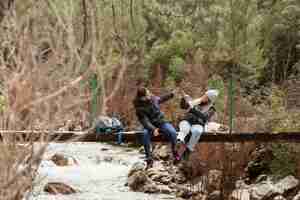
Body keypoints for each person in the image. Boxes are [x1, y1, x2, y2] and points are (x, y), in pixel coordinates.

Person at [133, 87, 180, 168]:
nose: (149, 93)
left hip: (161, 122)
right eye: (148, 93)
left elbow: (161, 99)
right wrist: (153, 129)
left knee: (172, 132)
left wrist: (172, 94)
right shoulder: (139, 108)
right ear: (143, 97)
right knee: (145, 135)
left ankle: (175, 153)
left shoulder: (153, 98)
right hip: (149, 126)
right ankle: (149, 159)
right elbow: (145, 121)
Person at [176, 89, 219, 161]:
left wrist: (192, 109)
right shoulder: (196, 101)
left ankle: (188, 151)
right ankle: (179, 141)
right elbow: (183, 106)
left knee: (197, 132)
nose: (203, 97)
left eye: (206, 97)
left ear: (209, 100)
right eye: (204, 95)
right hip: (188, 120)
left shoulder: (211, 109)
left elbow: (204, 118)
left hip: (199, 124)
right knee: (184, 128)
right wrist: (184, 99)